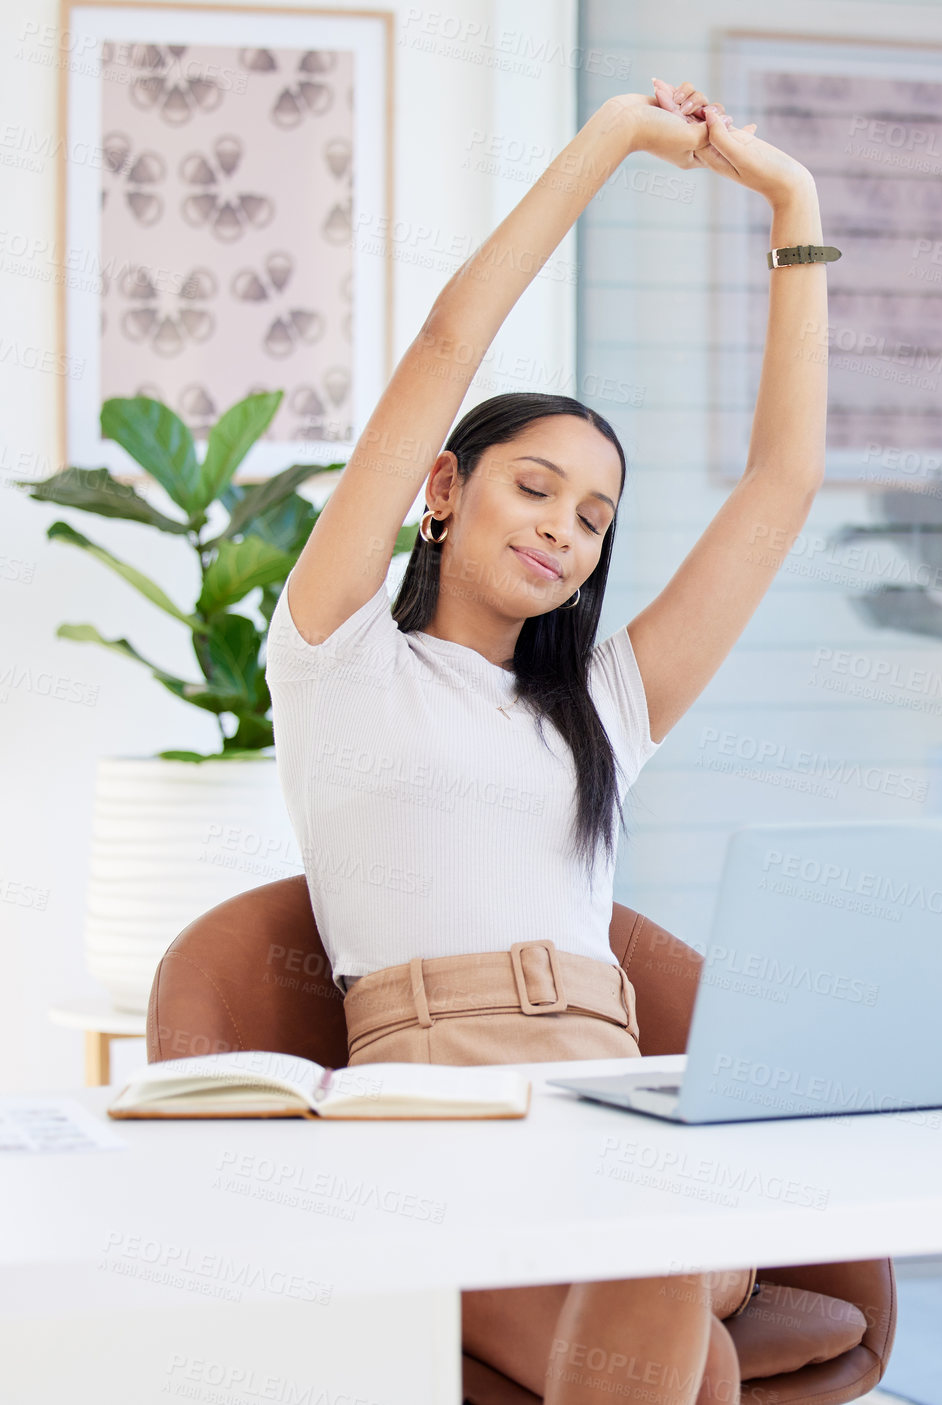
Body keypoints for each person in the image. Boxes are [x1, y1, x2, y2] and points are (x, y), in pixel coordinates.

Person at [264, 77, 827, 1405]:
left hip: (614, 1097)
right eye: (533, 487)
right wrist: (614, 139)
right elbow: (449, 343)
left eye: (592, 520)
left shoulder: (604, 710)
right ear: (444, 493)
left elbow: (780, 484)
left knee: (661, 1326)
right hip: (438, 1115)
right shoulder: (338, 652)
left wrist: (793, 209)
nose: (562, 530)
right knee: (676, 1366)